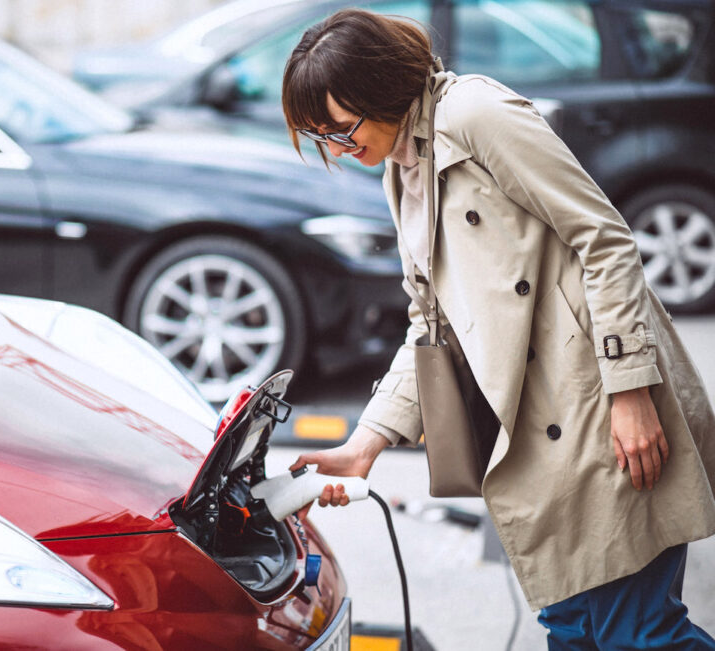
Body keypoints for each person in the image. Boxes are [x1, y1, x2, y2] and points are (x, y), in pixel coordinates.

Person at [281, 8, 715, 648]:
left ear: (382, 89)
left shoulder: (475, 115)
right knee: (573, 631)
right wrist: (364, 444)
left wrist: (631, 391)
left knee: (637, 635)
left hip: (599, 408)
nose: (339, 151)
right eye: (321, 139)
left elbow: (605, 240)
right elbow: (430, 323)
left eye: (341, 130)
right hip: (537, 440)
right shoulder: (403, 171)